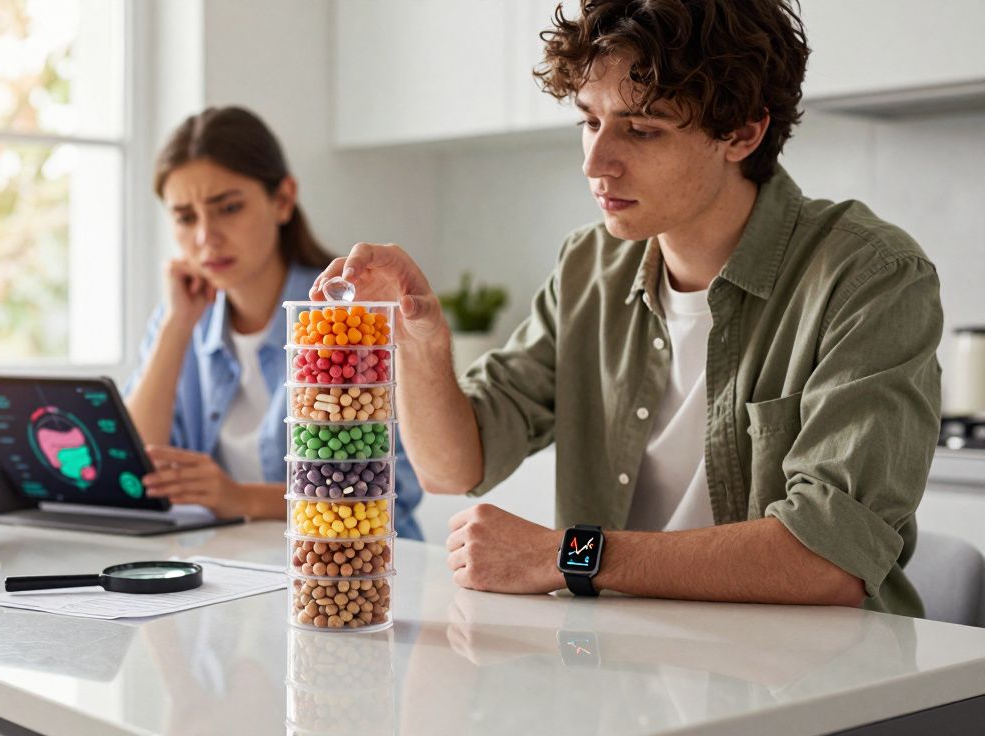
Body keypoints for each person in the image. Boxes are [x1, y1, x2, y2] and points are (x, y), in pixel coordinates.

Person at [311, 0, 940, 615]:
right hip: (623, 658)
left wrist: (569, 555)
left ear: (743, 132)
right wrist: (419, 337)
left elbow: (830, 558)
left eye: (641, 129)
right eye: (590, 122)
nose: (595, 163)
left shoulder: (870, 275)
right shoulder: (589, 266)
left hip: (814, 670)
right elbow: (452, 467)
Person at [125, 106, 423, 540]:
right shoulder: (182, 317)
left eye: (228, 208)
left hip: (357, 564)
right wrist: (176, 325)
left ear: (282, 200)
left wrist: (239, 498)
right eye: (186, 218)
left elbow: (393, 490)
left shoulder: (350, 321)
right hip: (234, 564)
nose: (206, 237)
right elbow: (133, 472)